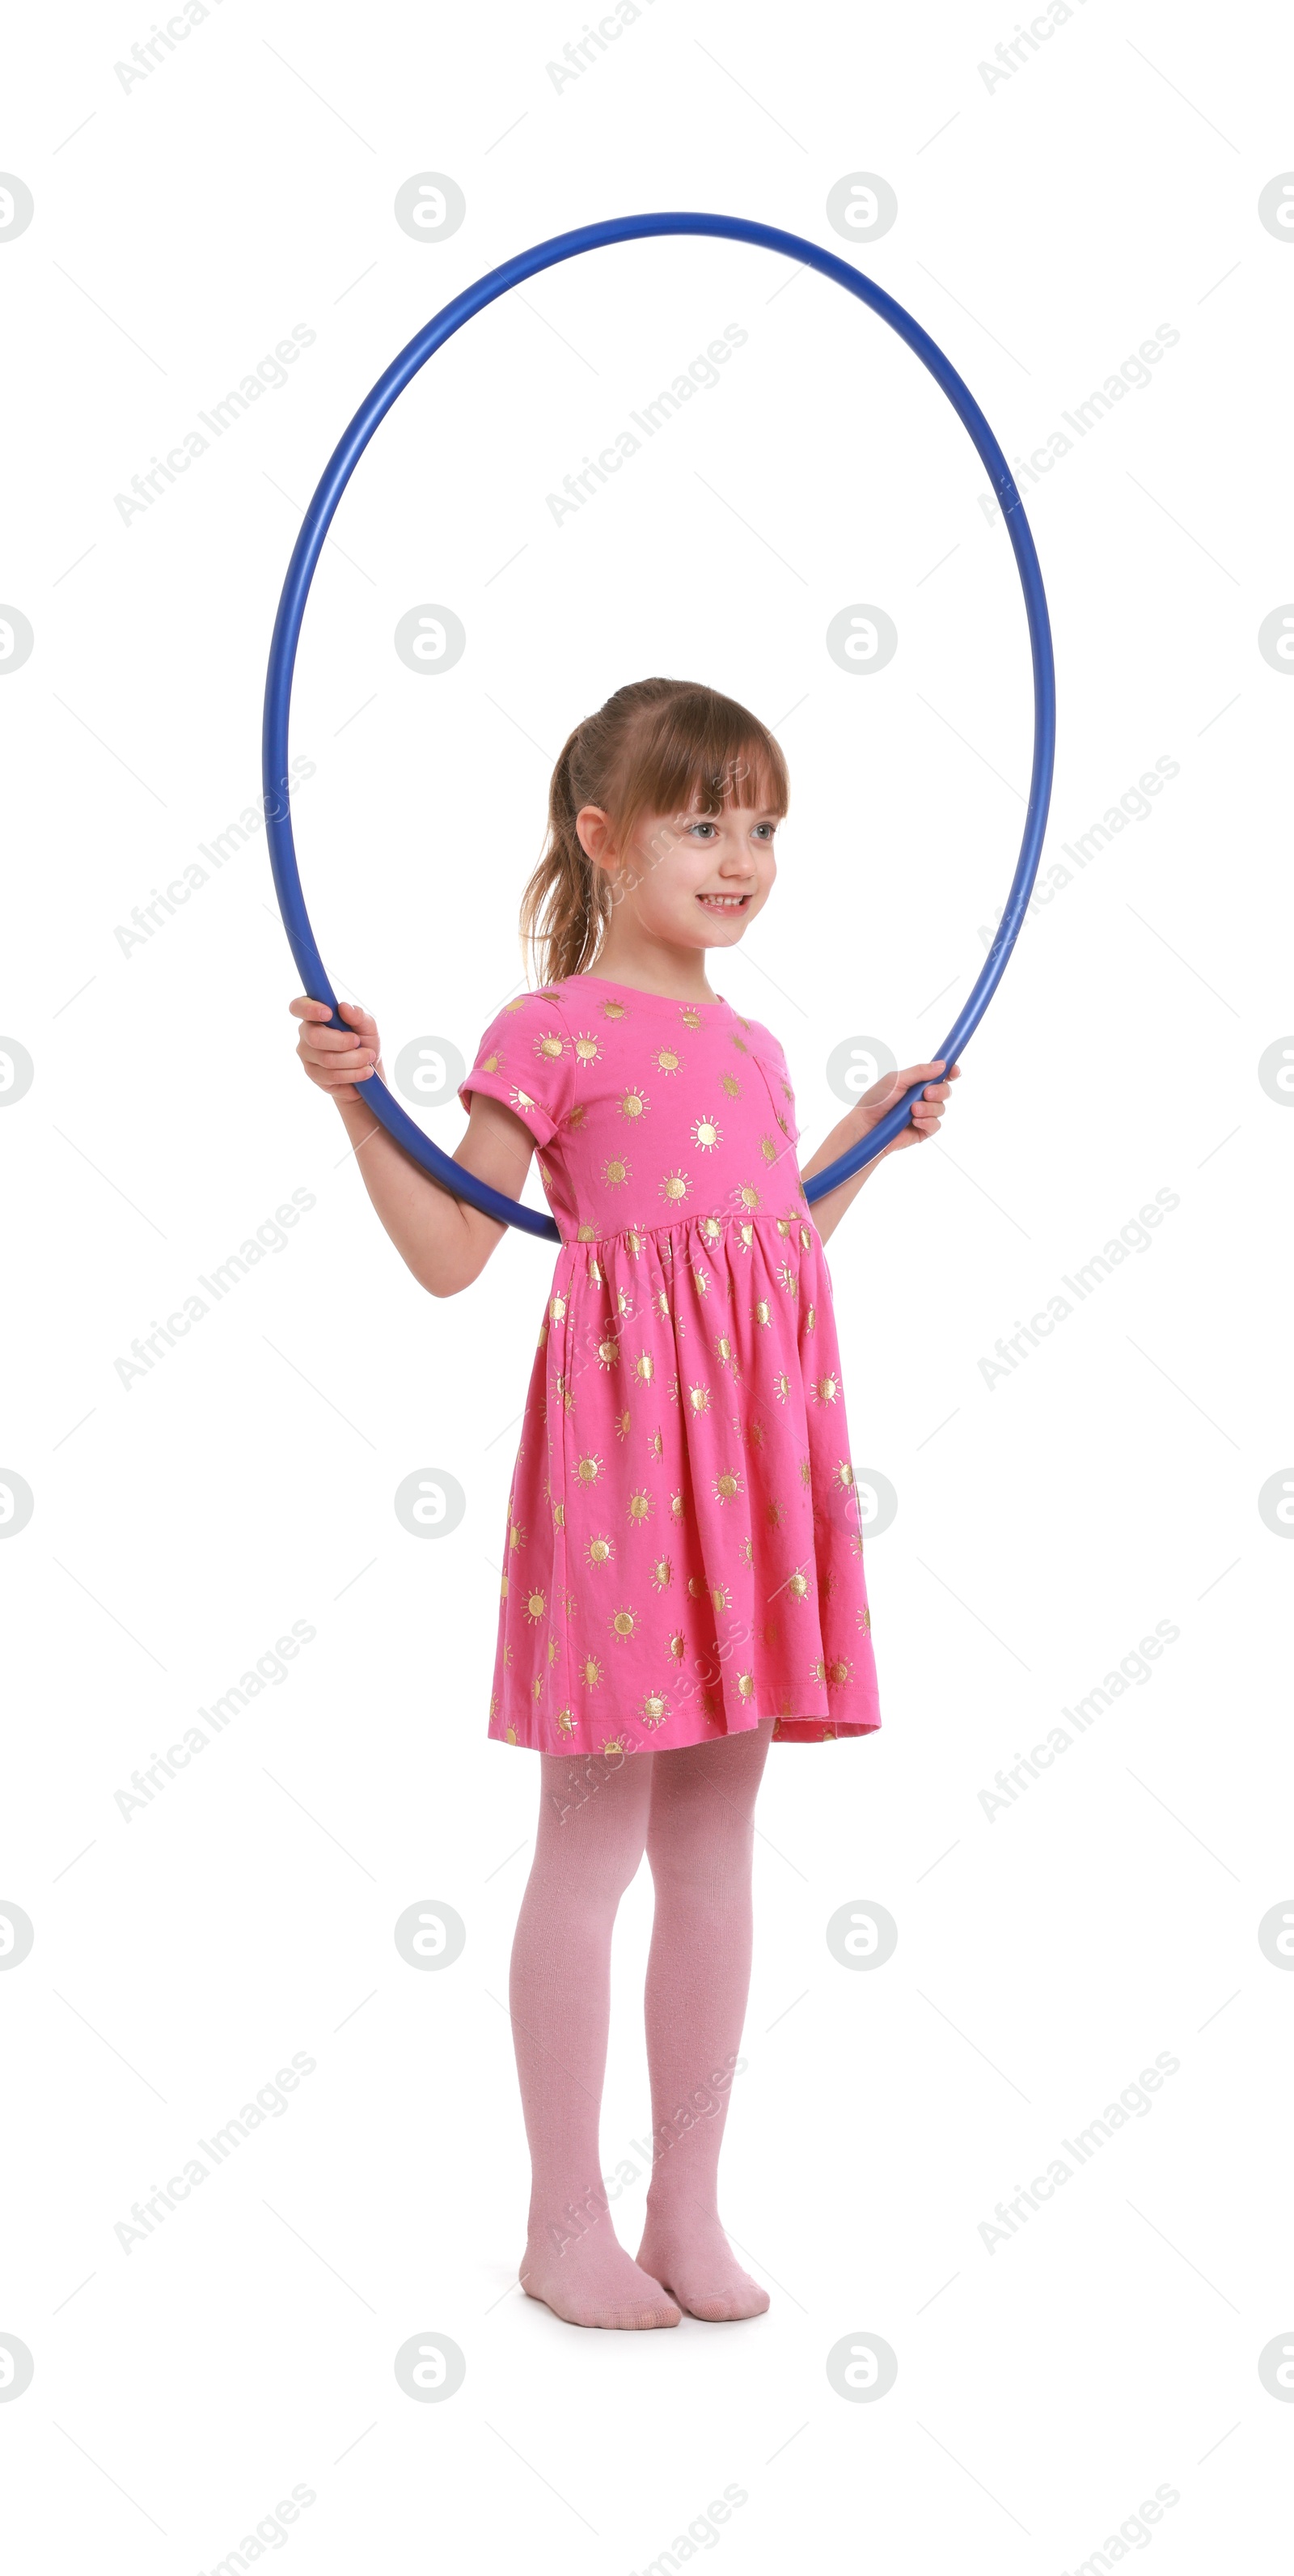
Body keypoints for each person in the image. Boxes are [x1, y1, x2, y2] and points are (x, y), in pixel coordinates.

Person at [290, 677, 958, 2332]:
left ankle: (688, 2204)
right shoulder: (554, 1030)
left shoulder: (749, 1045)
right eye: (701, 820)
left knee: (718, 1839)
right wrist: (359, 1106)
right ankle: (560, 2218)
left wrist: (863, 1135)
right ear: (602, 836)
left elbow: (767, 1249)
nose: (740, 856)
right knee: (590, 1839)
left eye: (761, 823)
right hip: (621, 1476)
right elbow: (456, 1249)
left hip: (753, 1468)